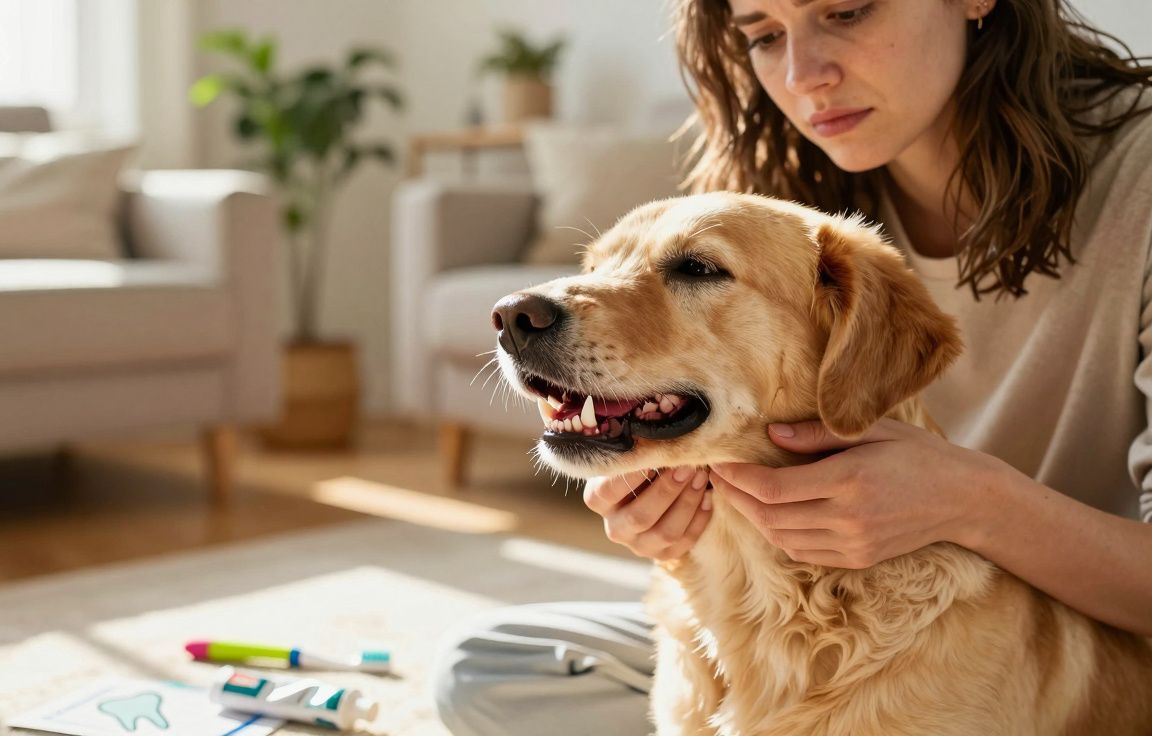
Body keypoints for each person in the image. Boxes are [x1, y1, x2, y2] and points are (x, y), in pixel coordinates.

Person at [432, 0, 1152, 734]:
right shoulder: (782, 186)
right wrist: (660, 513)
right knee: (484, 668)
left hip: (1059, 627)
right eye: (765, 36)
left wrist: (973, 502)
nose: (804, 76)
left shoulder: (1141, 175)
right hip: (776, 620)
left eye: (846, 10)